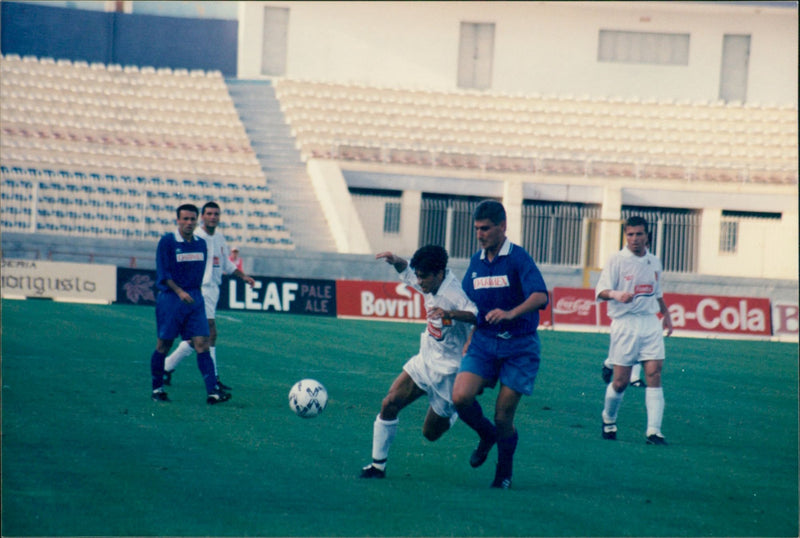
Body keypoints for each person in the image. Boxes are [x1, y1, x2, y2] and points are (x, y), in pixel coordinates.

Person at [452, 200, 549, 489]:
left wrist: (510, 313)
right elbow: (470, 304)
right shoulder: (476, 261)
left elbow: (541, 296)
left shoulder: (518, 258)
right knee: (460, 397)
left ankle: (503, 472)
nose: (480, 234)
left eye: (485, 228)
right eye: (477, 229)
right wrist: (462, 329)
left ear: (502, 227)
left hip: (519, 347)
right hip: (483, 343)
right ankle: (486, 435)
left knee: (503, 415)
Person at [360, 245, 478, 479]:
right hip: (425, 362)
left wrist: (450, 313)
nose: (419, 281)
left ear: (439, 274)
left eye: (424, 277)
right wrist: (395, 260)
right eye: (419, 275)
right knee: (389, 403)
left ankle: (455, 411)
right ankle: (377, 467)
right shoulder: (430, 281)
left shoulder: (454, 294)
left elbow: (475, 314)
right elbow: (408, 272)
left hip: (448, 373)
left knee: (430, 434)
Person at [596, 215, 674, 445]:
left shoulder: (654, 261)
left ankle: (654, 431)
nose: (634, 239)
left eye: (639, 234)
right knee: (620, 381)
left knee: (654, 373)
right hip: (625, 323)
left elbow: (657, 292)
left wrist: (666, 315)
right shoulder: (616, 260)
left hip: (649, 322)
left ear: (647, 236)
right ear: (625, 236)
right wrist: (615, 294)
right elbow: (601, 291)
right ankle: (608, 419)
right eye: (630, 234)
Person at [163, 201, 255, 390]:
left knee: (197, 337)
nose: (213, 217)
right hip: (198, 290)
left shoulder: (220, 238)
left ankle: (167, 367)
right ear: (202, 217)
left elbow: (227, 265)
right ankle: (213, 379)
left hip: (213, 290)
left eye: (216, 214)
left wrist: (243, 276)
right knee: (209, 332)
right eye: (209, 214)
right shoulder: (196, 237)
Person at [149, 203, 231, 404]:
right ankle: (157, 389)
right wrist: (179, 291)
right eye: (184, 219)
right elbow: (164, 273)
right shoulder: (167, 242)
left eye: (192, 219)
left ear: (197, 220)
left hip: (194, 300)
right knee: (164, 344)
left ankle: (213, 392)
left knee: (203, 342)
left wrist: (194, 294)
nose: (188, 222)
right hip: (171, 300)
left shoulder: (200, 243)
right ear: (177, 220)